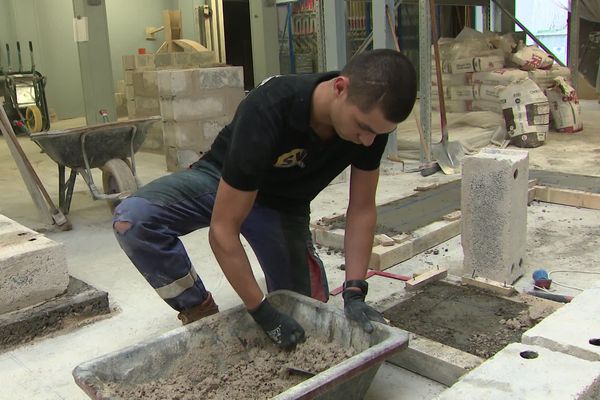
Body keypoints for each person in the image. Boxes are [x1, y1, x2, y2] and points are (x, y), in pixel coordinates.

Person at [113, 49, 417, 349]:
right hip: (221, 181)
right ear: (340, 88)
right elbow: (223, 230)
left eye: (378, 134)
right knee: (134, 220)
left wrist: (354, 290)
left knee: (308, 320)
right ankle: (197, 308)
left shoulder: (370, 130)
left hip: (283, 206)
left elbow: (362, 209)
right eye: (363, 128)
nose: (368, 141)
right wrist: (260, 309)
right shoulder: (271, 106)